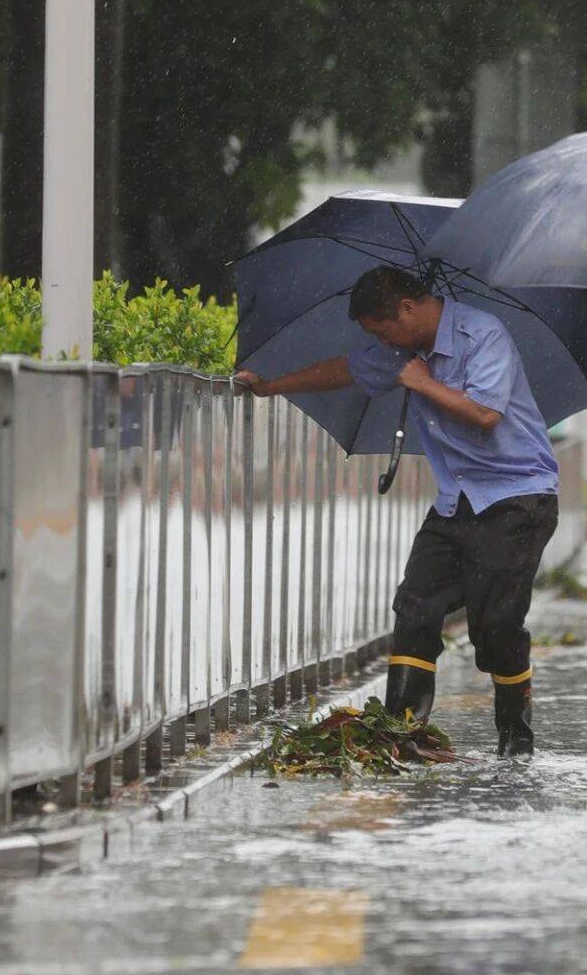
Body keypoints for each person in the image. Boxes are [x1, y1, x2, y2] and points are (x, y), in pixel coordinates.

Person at [236, 266, 559, 754]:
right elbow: (345, 370)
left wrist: (422, 383)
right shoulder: (403, 352)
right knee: (415, 606)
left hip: (518, 497)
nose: (381, 342)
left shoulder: (483, 335)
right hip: (456, 500)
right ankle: (401, 734)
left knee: (495, 625)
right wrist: (272, 386)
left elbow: (486, 414)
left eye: (382, 331)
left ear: (408, 309)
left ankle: (517, 737)